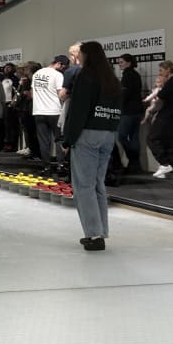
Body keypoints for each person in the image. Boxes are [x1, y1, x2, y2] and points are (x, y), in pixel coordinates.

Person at [62, 40, 122, 252]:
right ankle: (101, 231)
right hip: (108, 134)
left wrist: (68, 139)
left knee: (83, 186)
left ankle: (94, 235)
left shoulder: (85, 76)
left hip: (87, 134)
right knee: (98, 184)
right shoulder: (112, 79)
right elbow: (117, 110)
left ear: (86, 55)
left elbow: (78, 110)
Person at [145, 60, 173, 179]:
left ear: (168, 69)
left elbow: (162, 95)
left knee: (152, 138)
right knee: (169, 141)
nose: (160, 73)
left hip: (167, 114)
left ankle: (164, 163)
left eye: (161, 70)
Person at [32, 55, 68, 174]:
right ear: (59, 64)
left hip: (38, 111)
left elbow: (32, 94)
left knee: (43, 141)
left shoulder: (37, 74)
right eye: (64, 67)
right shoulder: (57, 75)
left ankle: (46, 167)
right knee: (59, 139)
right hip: (54, 111)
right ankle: (60, 166)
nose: (63, 70)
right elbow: (61, 95)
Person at [116, 54, 144, 173]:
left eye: (121, 62)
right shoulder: (136, 75)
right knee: (133, 137)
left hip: (128, 111)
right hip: (137, 110)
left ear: (128, 63)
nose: (119, 64)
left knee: (121, 136)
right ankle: (135, 164)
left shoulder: (127, 76)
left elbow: (124, 95)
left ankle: (132, 160)